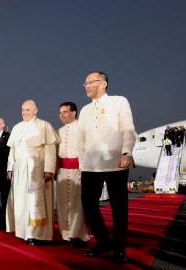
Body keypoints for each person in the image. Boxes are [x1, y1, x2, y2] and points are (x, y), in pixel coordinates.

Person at [77, 71, 137, 264]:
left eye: (89, 82)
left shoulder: (119, 101)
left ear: (103, 84)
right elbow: (82, 138)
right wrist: (81, 162)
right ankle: (103, 241)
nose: (86, 86)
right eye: (84, 83)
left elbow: (128, 128)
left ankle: (119, 248)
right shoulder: (85, 110)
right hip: (91, 165)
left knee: (119, 207)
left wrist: (127, 152)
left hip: (116, 161)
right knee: (88, 203)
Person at [6, 100, 60, 245]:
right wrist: (10, 168)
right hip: (19, 172)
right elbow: (13, 150)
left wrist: (49, 169)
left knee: (34, 202)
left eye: (28, 109)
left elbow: (50, 150)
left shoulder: (44, 126)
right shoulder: (17, 127)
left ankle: (36, 234)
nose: (25, 112)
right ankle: (22, 231)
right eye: (23, 110)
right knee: (21, 202)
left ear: (36, 110)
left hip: (36, 171)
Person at [56, 102, 89, 247]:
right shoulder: (59, 131)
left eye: (65, 112)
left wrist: (84, 168)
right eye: (60, 112)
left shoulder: (83, 128)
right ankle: (66, 234)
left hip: (78, 170)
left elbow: (86, 149)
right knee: (63, 203)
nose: (62, 115)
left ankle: (79, 235)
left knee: (77, 203)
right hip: (62, 171)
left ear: (74, 113)